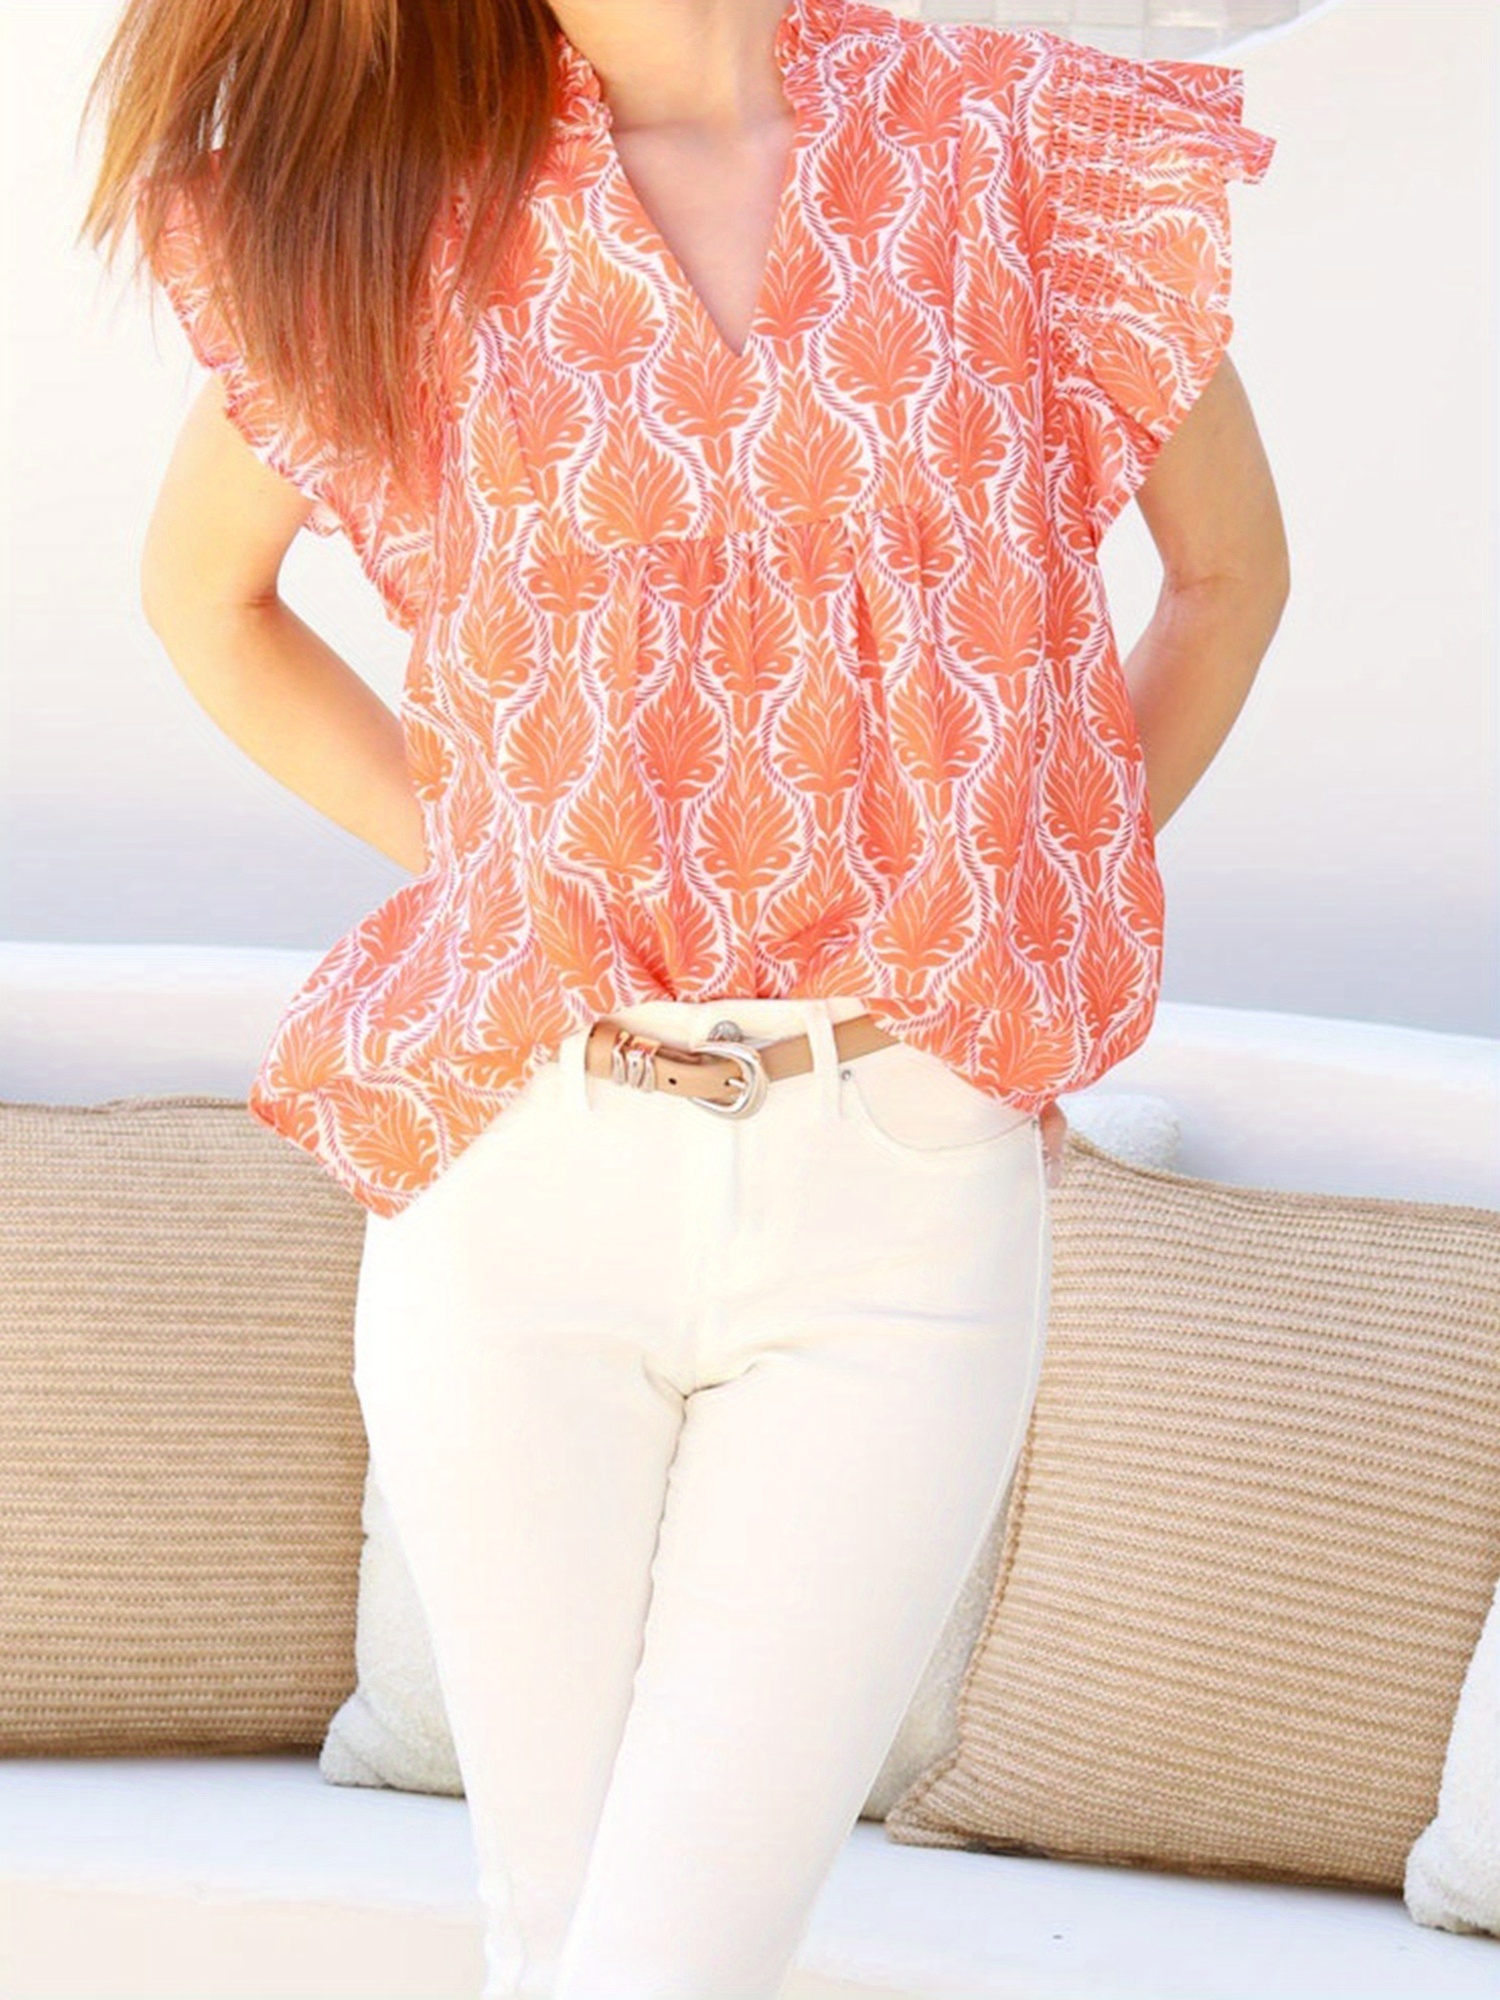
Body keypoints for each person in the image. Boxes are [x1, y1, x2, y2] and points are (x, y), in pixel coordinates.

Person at [87, 1, 1285, 1992]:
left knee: (665, 1959)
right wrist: (502, 863)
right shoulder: (403, 207)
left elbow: (1230, 578)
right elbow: (205, 597)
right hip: (520, 1180)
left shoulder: (1009, 144)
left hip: (899, 1201)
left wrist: (1009, 882)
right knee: (563, 1941)